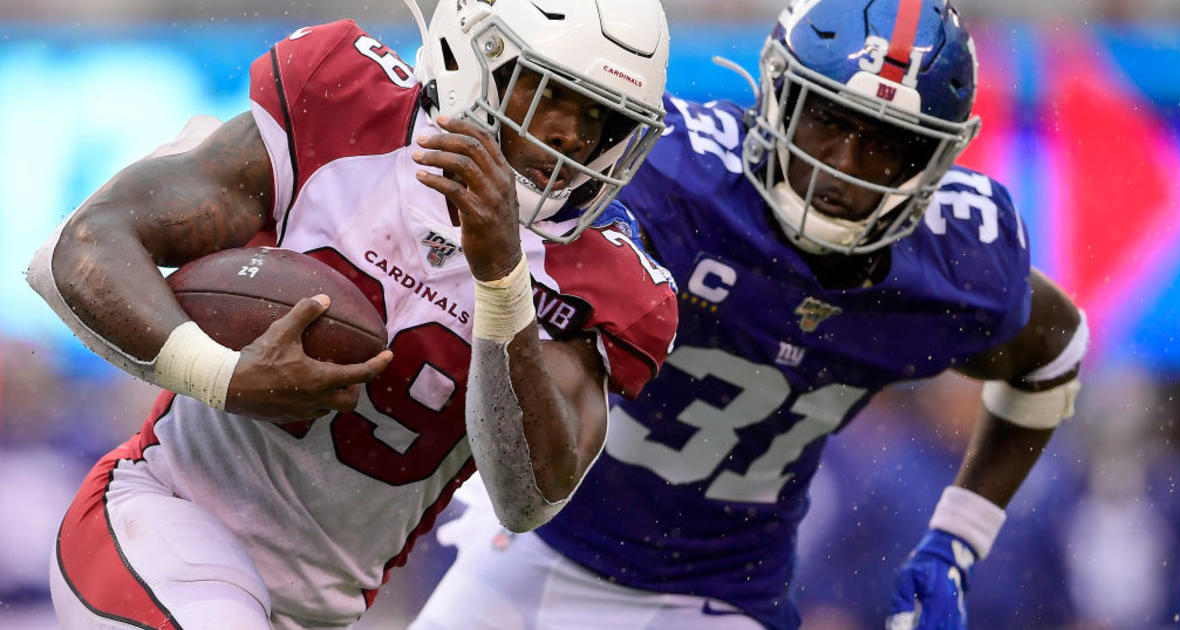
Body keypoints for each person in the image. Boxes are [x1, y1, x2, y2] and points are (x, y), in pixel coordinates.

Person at [409, 0, 1088, 628]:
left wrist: (957, 541)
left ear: (935, 159)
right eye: (826, 120)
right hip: (537, 542)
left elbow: (1054, 352)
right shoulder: (674, 178)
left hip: (724, 594)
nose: (843, 167)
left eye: (885, 143)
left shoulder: (959, 263)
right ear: (776, 91)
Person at [26, 0, 677, 628]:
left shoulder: (602, 279)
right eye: (546, 92)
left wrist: (501, 280)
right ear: (477, 59)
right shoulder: (341, 104)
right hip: (162, 517)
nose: (569, 133)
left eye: (598, 117)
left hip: (318, 612)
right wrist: (220, 374)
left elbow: (528, 495)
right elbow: (80, 246)